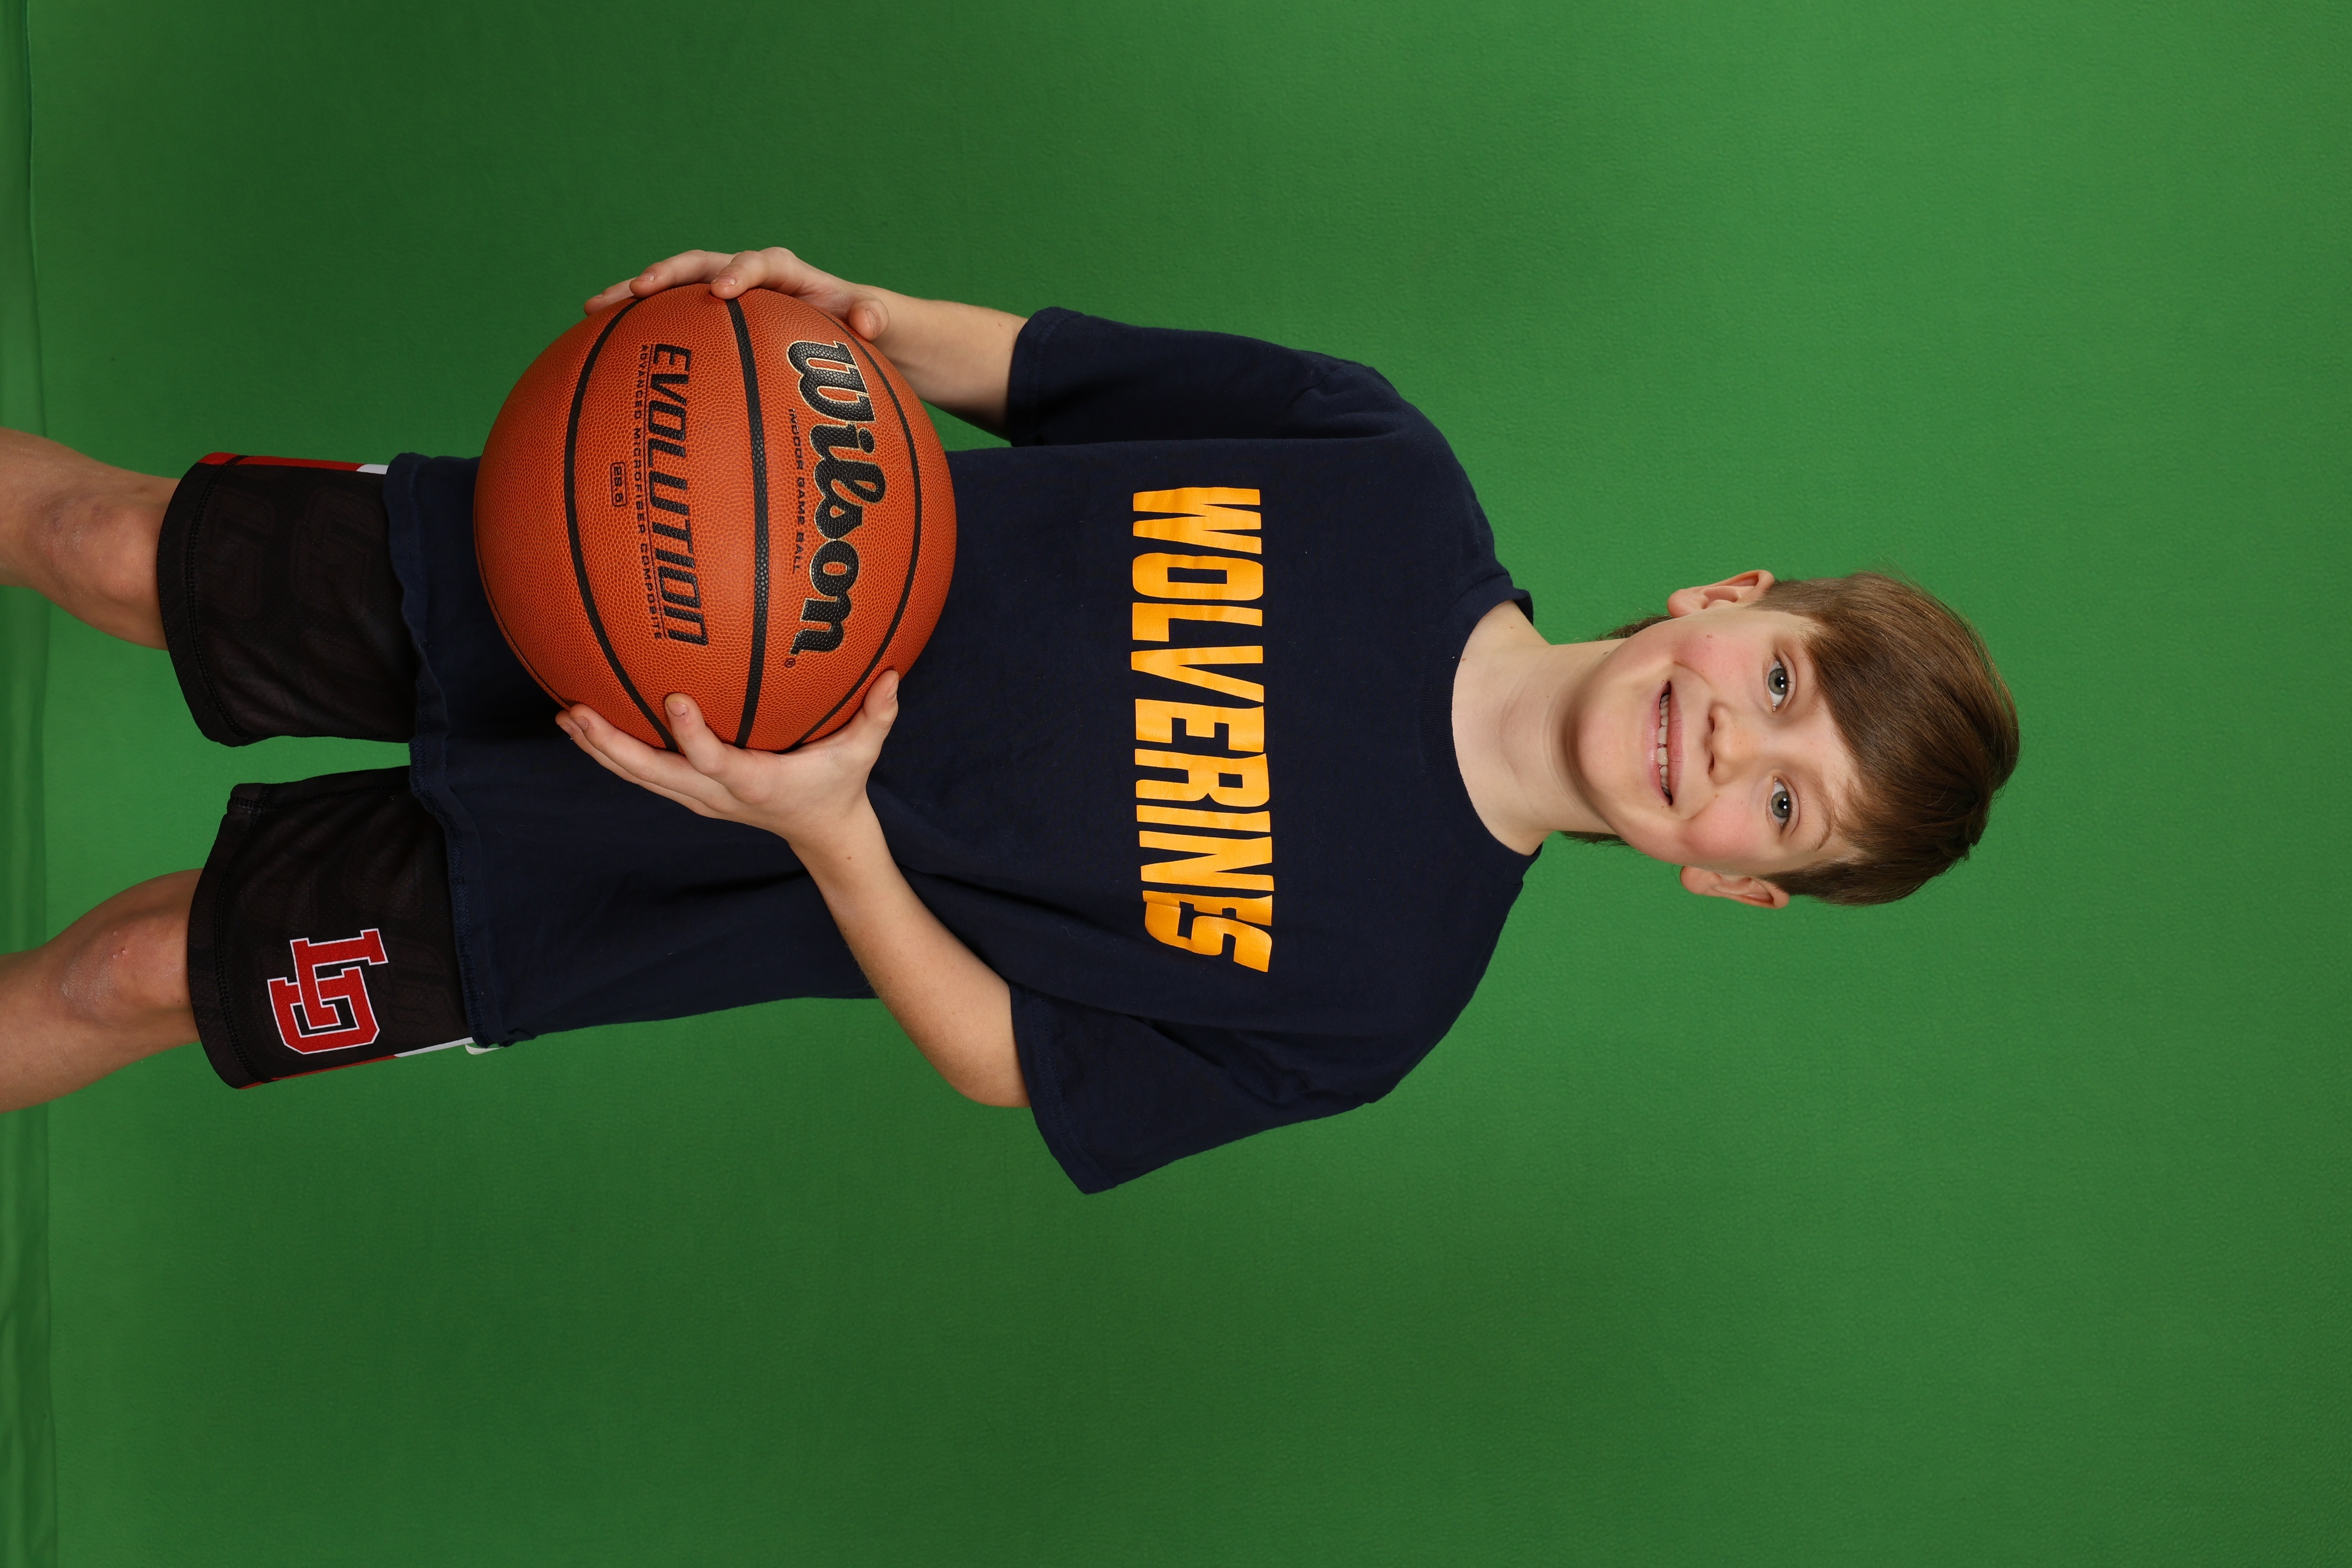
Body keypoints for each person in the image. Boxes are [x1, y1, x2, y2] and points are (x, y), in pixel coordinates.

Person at [0, 249, 2018, 1191]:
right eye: (1783, 686)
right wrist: (821, 314)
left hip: (651, 890)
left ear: (1730, 885)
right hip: (636, 561)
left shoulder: (1379, 1000)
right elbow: (1029, 372)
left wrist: (828, 829)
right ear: (1729, 602)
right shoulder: (1381, 471)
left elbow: (1001, 1061)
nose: (1733, 747)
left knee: (136, 971)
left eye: (1784, 808)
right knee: (105, 541)